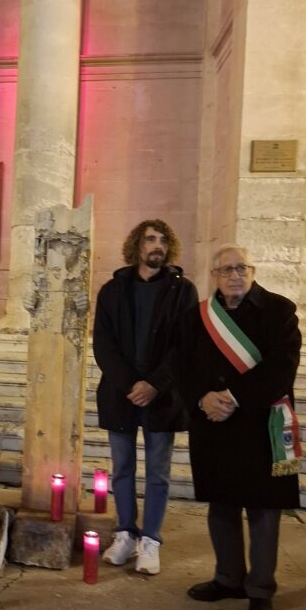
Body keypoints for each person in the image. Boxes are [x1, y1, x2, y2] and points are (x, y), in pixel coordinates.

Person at [179, 245, 301, 610]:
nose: (234, 275)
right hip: (213, 423)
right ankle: (228, 578)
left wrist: (233, 397)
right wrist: (202, 398)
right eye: (226, 269)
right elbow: (181, 365)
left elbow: (282, 368)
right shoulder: (196, 317)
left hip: (260, 421)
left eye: (241, 268)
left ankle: (261, 590)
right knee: (222, 505)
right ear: (214, 275)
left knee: (264, 509)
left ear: (252, 271)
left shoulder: (280, 311)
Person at [93, 219, 198, 575]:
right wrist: (129, 384)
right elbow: (103, 344)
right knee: (121, 469)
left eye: (163, 240)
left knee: (158, 472)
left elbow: (185, 346)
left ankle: (150, 541)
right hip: (120, 393)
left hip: (163, 395)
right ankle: (124, 533)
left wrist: (154, 384)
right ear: (137, 245)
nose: (157, 245)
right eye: (150, 239)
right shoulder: (112, 290)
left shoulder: (182, 291)